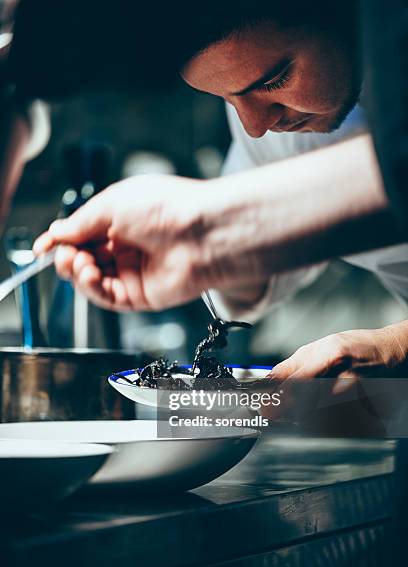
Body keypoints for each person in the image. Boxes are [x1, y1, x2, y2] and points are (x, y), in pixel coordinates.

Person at [33, 1, 408, 382]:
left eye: (274, 80)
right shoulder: (277, 121)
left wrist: (396, 346)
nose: (255, 126)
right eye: (228, 98)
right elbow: (249, 290)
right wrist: (181, 251)